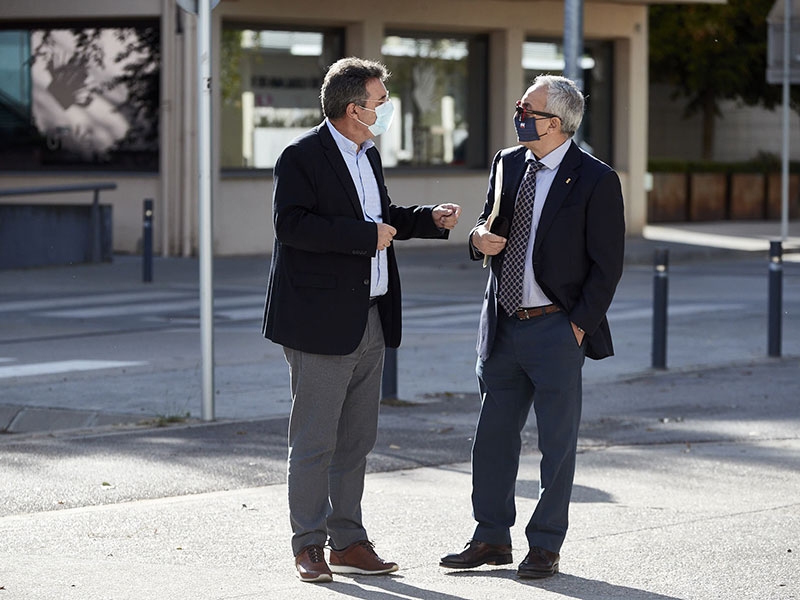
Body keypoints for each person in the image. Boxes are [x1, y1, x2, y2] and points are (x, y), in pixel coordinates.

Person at [262, 56, 461, 584]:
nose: (386, 110)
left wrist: (427, 219)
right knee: (315, 441)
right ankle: (308, 545)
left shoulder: (367, 154)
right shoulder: (301, 156)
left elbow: (380, 217)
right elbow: (291, 226)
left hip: (370, 315)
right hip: (319, 322)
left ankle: (348, 541)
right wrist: (362, 237)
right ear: (354, 109)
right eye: (380, 102)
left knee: (355, 441)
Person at [440, 75, 625, 579]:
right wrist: (477, 239)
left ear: (556, 123)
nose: (518, 114)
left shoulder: (595, 179)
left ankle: (545, 544)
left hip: (555, 329)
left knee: (556, 444)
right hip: (502, 326)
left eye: (528, 109)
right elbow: (487, 222)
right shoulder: (507, 162)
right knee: (492, 439)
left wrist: (578, 327)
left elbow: (607, 265)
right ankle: (490, 537)